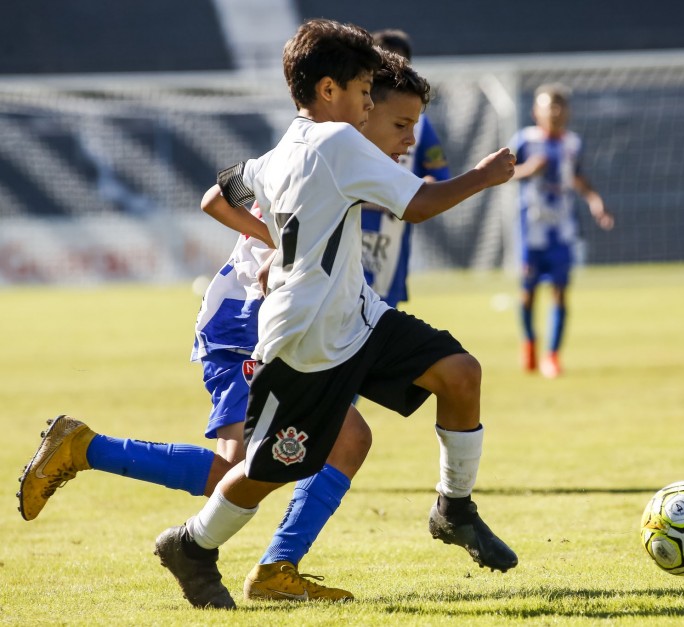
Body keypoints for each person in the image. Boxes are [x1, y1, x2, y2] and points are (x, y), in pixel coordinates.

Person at [17, 47, 478, 607]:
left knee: (348, 440)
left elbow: (222, 194)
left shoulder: (316, 153)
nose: (402, 136)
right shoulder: (324, 151)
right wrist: (274, 246)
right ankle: (87, 448)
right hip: (244, 319)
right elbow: (222, 200)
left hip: (291, 319)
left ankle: (277, 568)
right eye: (385, 114)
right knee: (239, 470)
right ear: (349, 101)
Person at [153, 19, 517, 610]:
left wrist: (272, 240)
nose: (370, 103)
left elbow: (221, 191)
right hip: (307, 340)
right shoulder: (335, 141)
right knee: (270, 469)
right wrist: (485, 175)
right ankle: (191, 546)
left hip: (357, 316)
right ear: (328, 91)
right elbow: (419, 205)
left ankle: (455, 508)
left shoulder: (285, 149)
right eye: (365, 92)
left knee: (460, 372)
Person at [509, 83, 614, 378]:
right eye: (548, 107)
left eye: (559, 107)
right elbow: (504, 173)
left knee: (560, 293)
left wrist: (595, 200)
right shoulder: (525, 141)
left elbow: (577, 177)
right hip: (531, 230)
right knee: (527, 294)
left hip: (562, 231)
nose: (554, 112)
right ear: (535, 112)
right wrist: (529, 169)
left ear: (567, 112)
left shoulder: (573, 143)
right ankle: (529, 341)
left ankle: (552, 356)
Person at [361, 28, 450, 308]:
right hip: (351, 228)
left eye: (401, 65)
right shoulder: (350, 118)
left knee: (384, 313)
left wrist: (407, 191)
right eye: (386, 66)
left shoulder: (420, 126)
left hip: (390, 237)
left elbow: (439, 176)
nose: (394, 73)